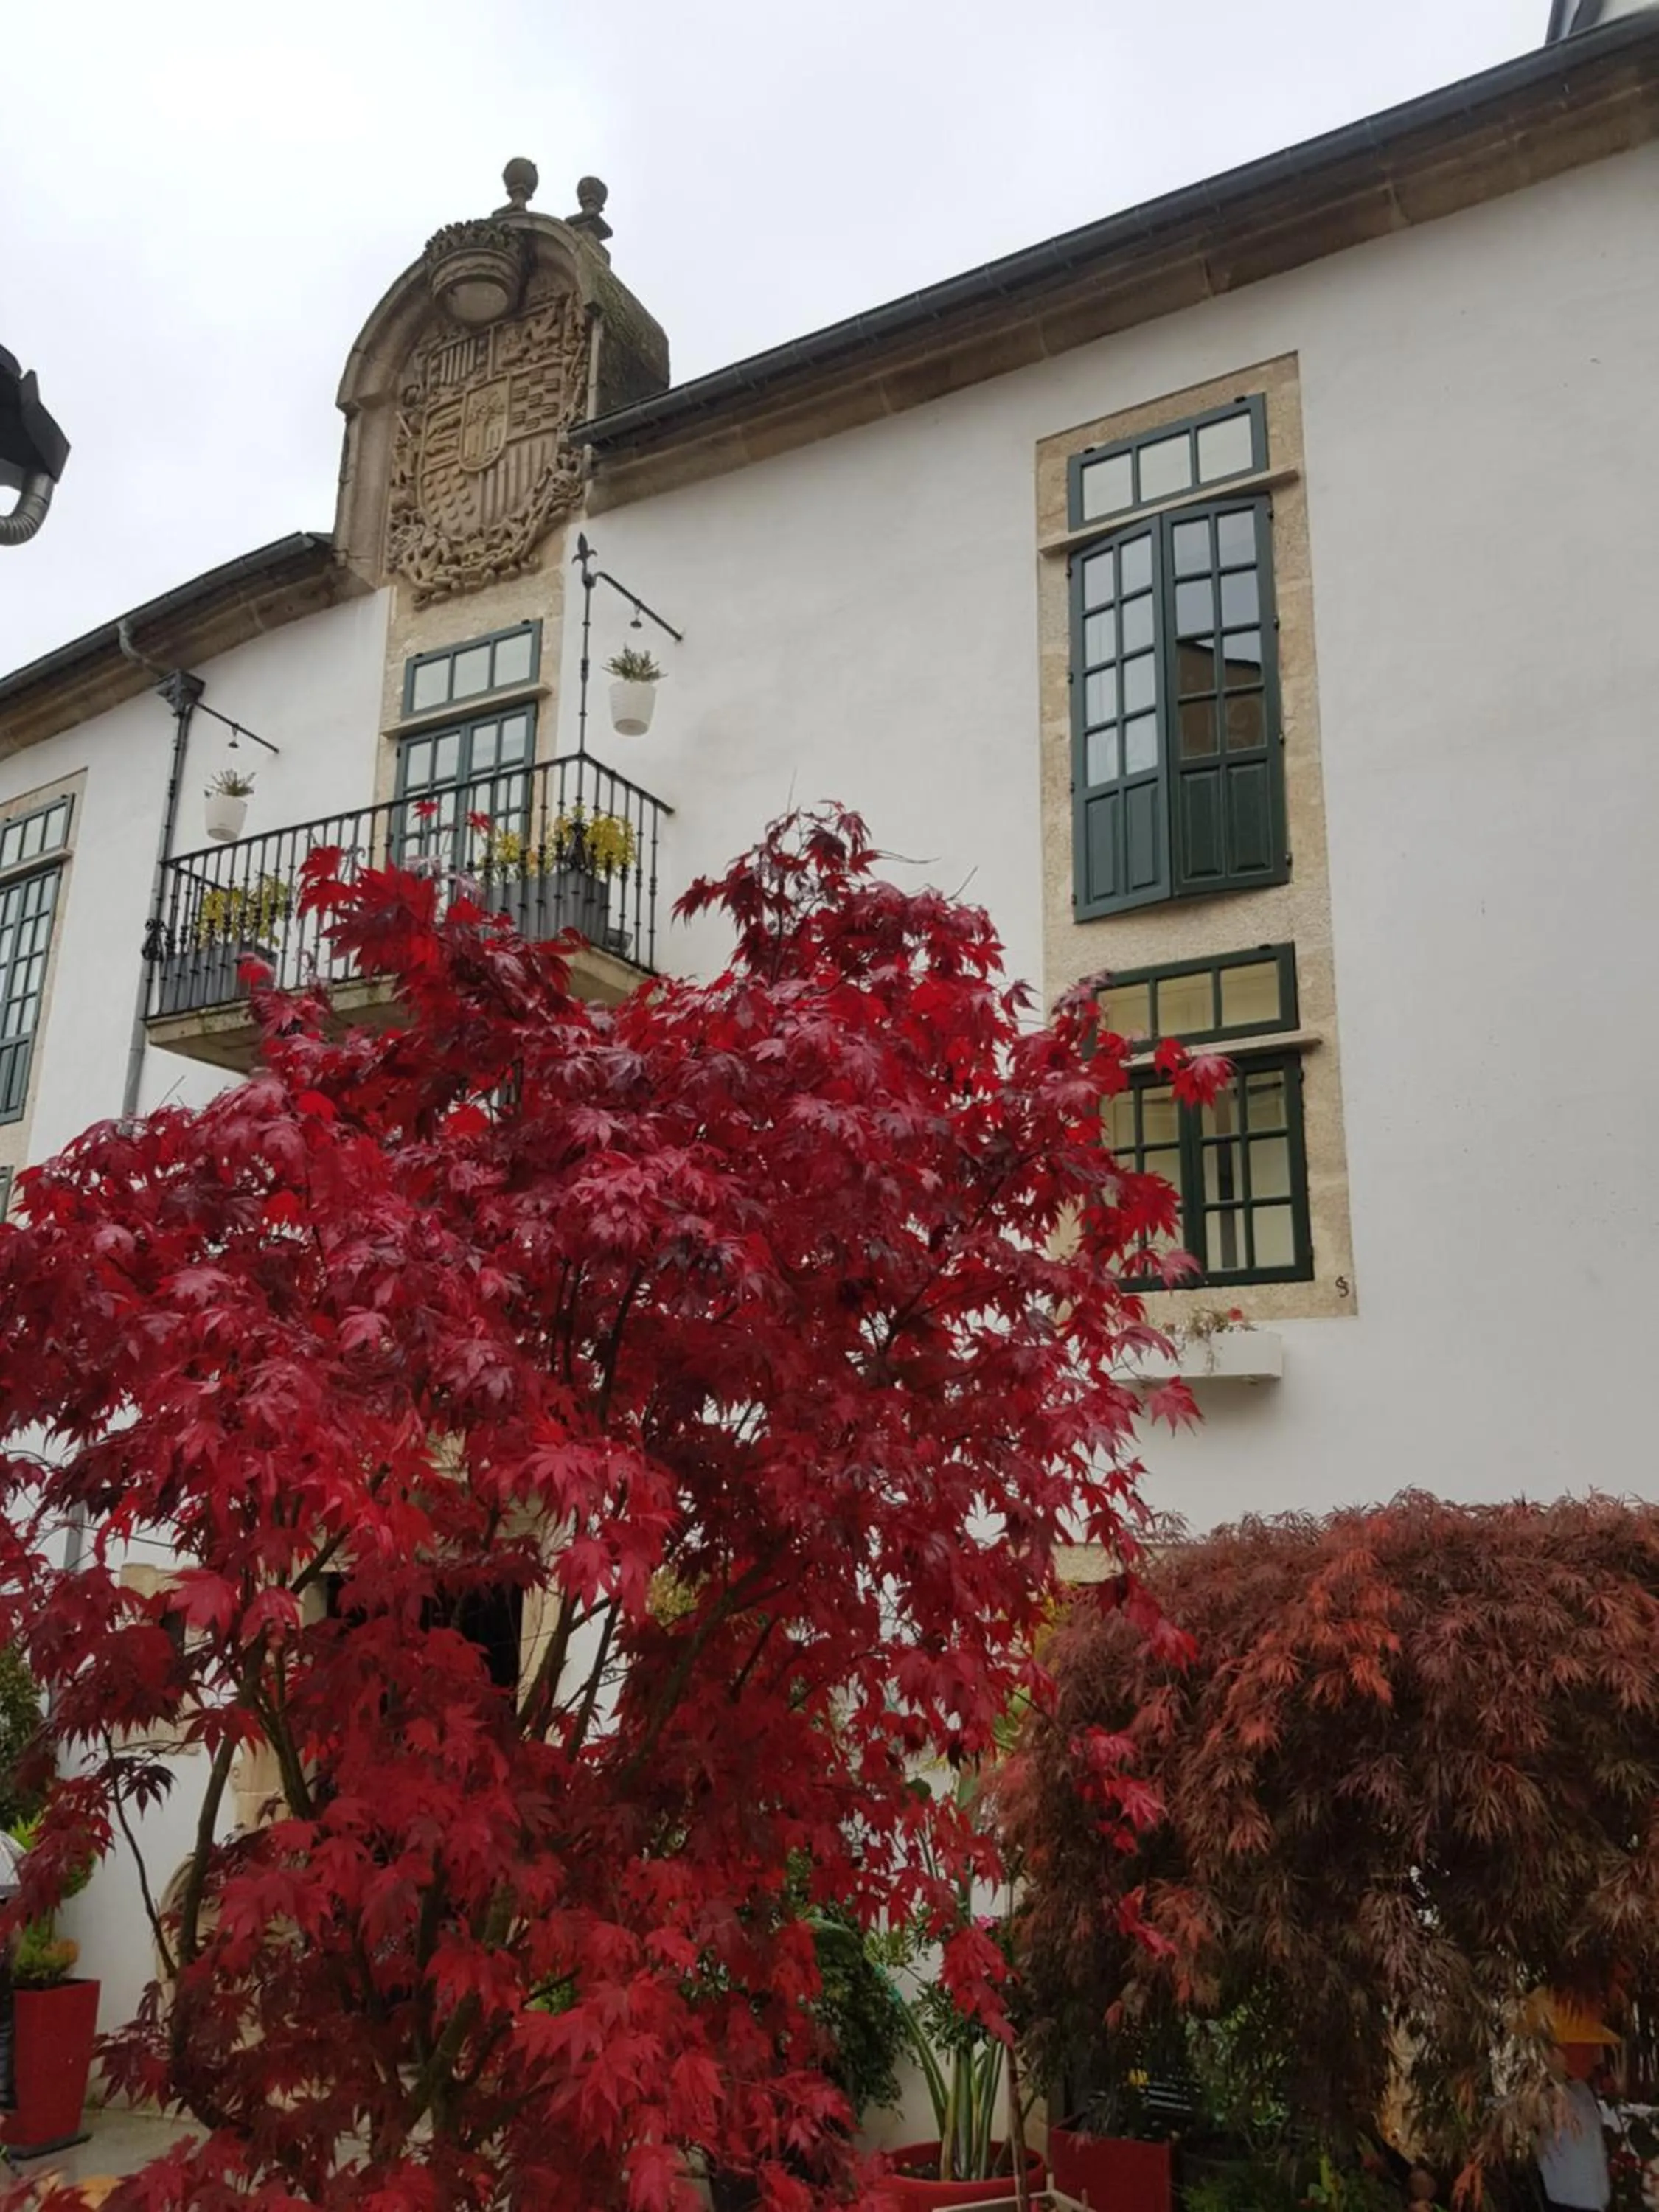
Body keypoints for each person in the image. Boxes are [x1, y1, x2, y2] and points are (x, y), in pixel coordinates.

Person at [1534, 2003, 1619, 2212]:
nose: (1594, 2055)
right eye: (1585, 2048)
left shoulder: (1582, 2089)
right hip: (1567, 2201)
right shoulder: (1545, 2096)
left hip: (1596, 2199)